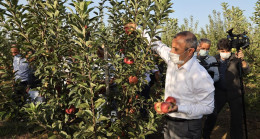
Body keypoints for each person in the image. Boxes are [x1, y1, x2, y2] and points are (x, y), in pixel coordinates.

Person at [148, 31, 215, 139]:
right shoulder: (173, 60)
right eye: (172, 47)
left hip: (187, 125)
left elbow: (208, 108)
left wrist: (179, 108)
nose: (171, 52)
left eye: (176, 49)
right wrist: (137, 28)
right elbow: (157, 45)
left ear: (190, 51)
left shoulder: (200, 76)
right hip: (169, 121)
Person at [202, 38, 250, 139]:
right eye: (223, 51)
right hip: (219, 92)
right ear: (218, 50)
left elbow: (247, 71)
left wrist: (243, 60)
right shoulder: (213, 59)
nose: (225, 53)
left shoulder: (236, 58)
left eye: (227, 51)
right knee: (212, 115)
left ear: (230, 50)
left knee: (237, 118)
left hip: (235, 92)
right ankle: (205, 135)